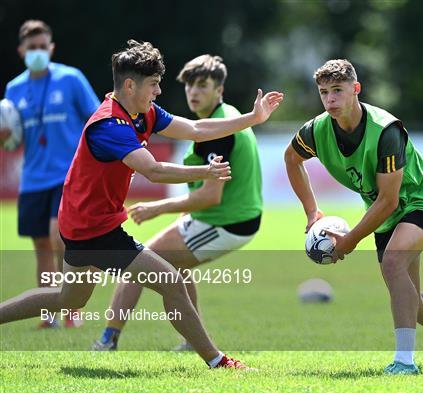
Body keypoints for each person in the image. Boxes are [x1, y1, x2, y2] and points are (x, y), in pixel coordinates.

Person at [0, 40, 283, 369]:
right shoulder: (109, 125)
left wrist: (252, 117)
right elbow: (153, 169)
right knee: (171, 282)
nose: (159, 91)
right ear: (130, 85)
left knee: (68, 299)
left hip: (82, 222)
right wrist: (206, 170)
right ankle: (217, 361)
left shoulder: (142, 112)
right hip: (94, 229)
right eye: (154, 84)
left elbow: (194, 128)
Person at [284, 59, 423, 375]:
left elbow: (389, 199)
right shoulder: (316, 131)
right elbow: (291, 159)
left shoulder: (385, 130)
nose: (330, 99)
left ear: (355, 89)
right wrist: (311, 210)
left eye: (338, 91)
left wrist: (350, 240)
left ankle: (404, 362)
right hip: (384, 212)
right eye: (324, 92)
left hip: (418, 198)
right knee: (410, 298)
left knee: (393, 263)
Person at [92, 55, 264, 351]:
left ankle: (108, 339)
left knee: (139, 263)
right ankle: (190, 341)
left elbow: (210, 195)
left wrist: (157, 208)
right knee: (175, 266)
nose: (193, 93)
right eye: (189, 86)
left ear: (219, 90)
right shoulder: (224, 118)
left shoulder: (219, 132)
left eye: (202, 85)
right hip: (217, 216)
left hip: (227, 221)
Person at [1, 20, 100, 328]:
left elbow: (97, 118)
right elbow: (11, 136)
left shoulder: (71, 79)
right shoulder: (13, 89)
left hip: (69, 175)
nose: (38, 52)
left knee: (61, 237)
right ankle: (48, 313)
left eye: (43, 47)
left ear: (52, 48)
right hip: (32, 179)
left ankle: (71, 307)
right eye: (32, 48)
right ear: (21, 51)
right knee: (41, 246)